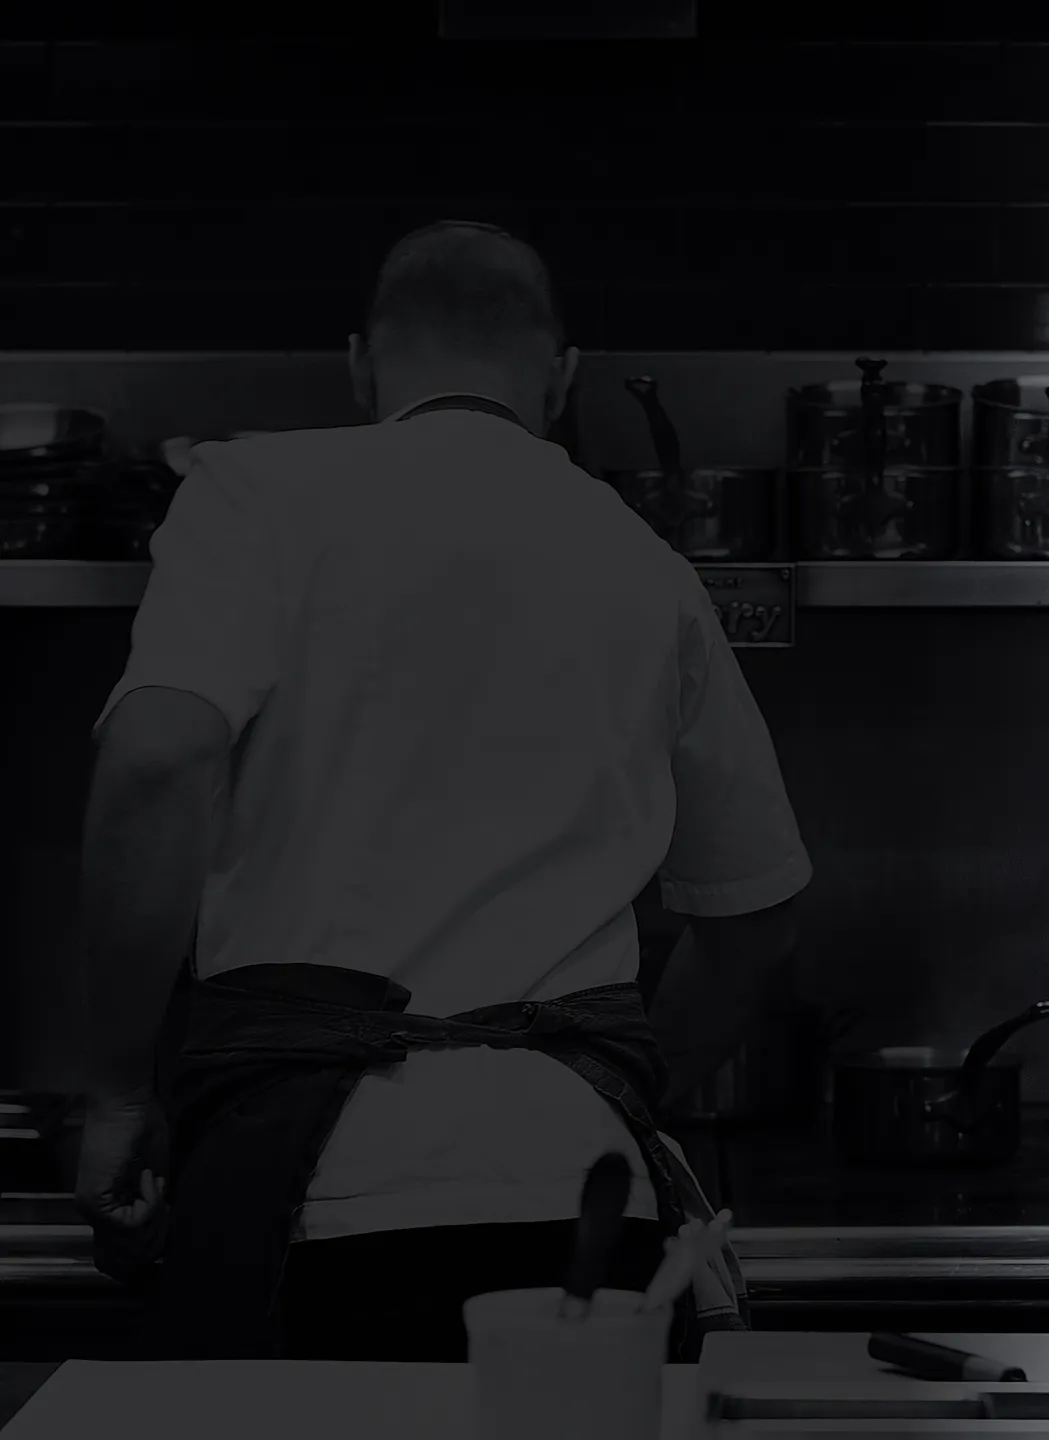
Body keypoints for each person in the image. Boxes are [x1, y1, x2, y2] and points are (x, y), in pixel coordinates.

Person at [71, 219, 811, 1361]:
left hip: (305, 1194)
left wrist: (117, 1089)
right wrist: (608, 1083)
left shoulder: (253, 490)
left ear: (362, 360)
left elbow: (158, 757)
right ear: (562, 379)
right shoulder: (645, 561)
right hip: (581, 1204)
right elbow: (755, 914)